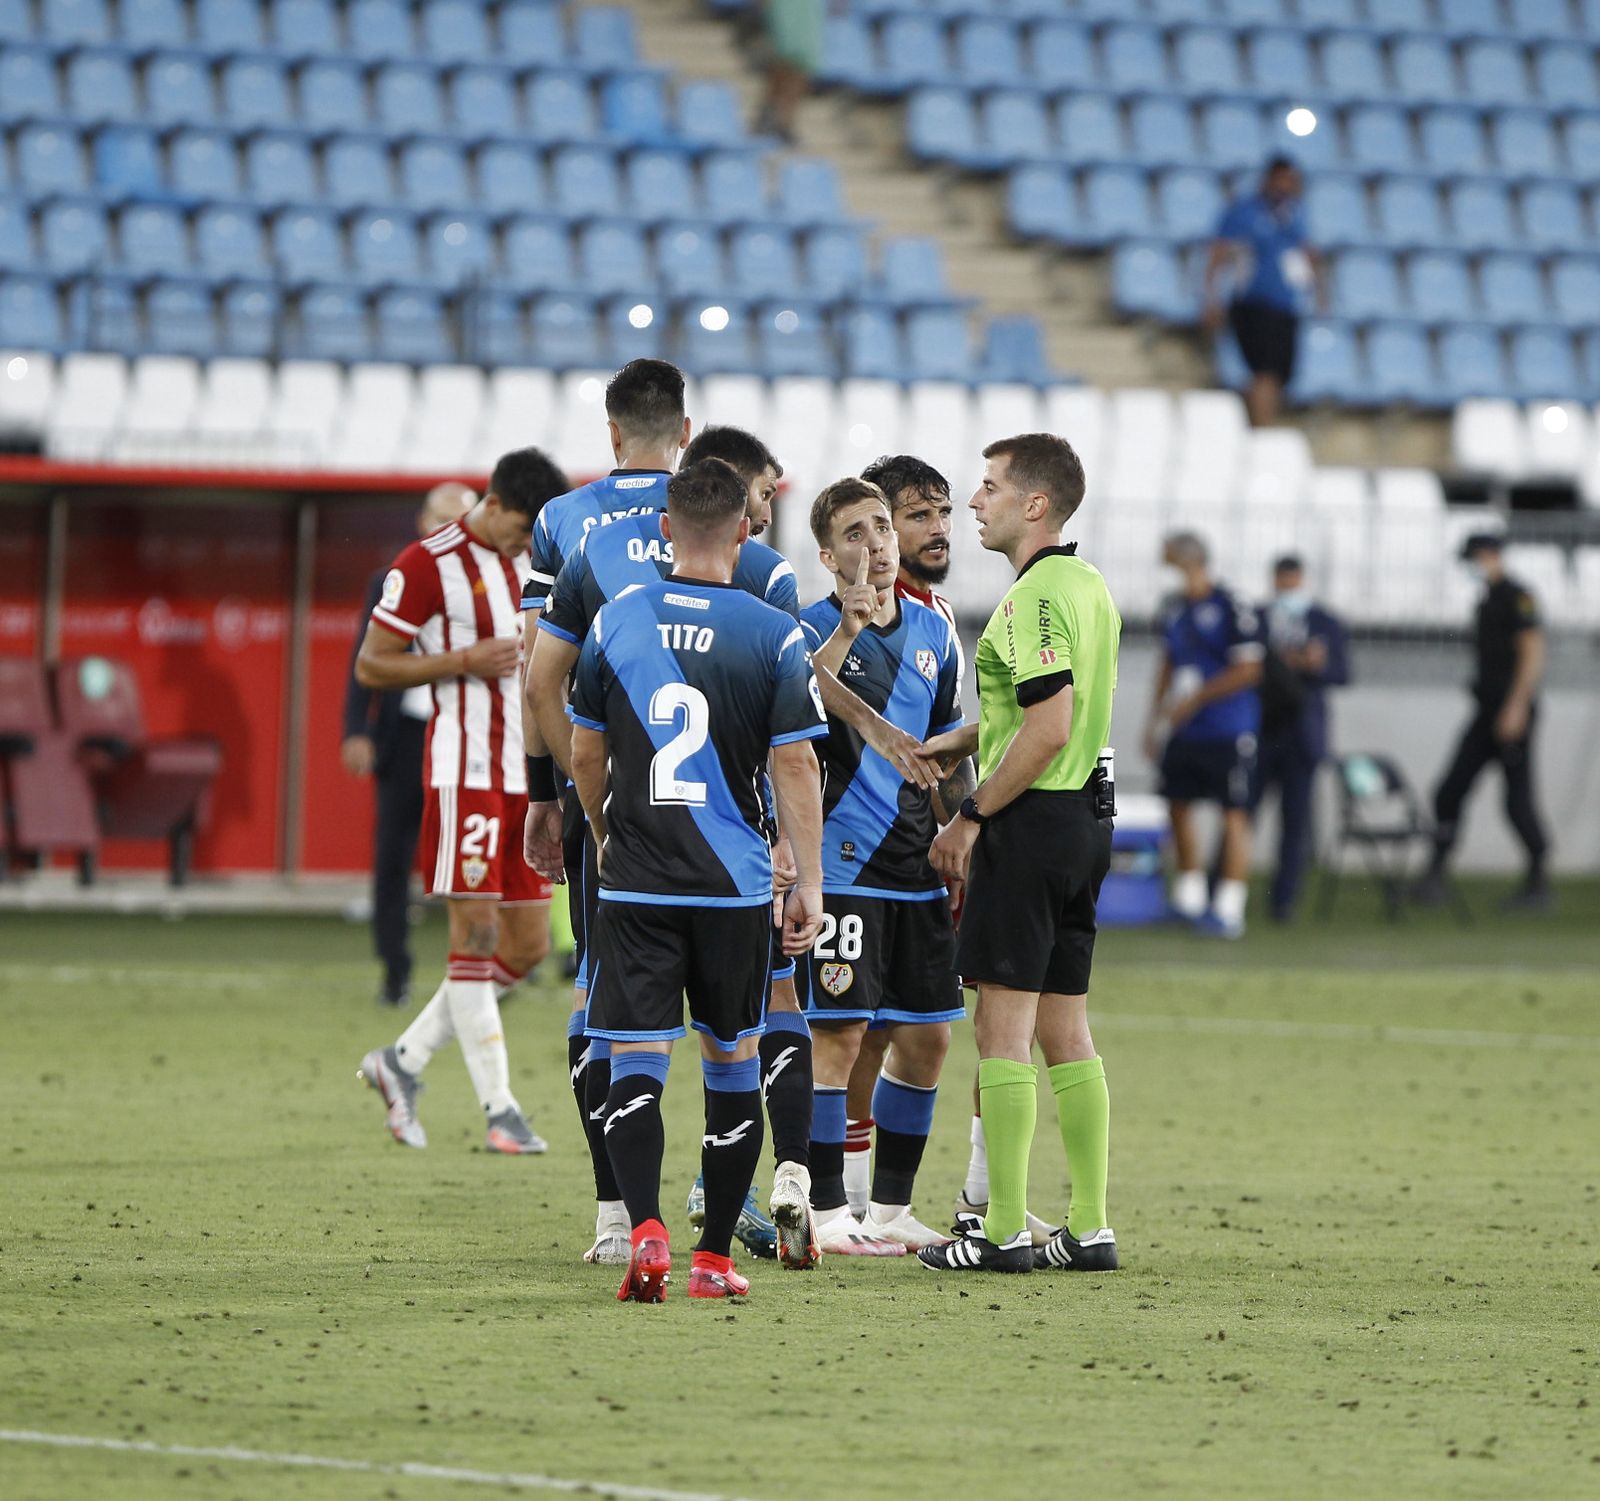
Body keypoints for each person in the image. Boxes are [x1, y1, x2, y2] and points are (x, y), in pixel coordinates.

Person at [530, 456, 818, 1269]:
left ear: (665, 531)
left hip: (637, 881)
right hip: (734, 886)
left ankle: (642, 1230)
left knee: (635, 1059)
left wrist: (601, 825)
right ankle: (714, 1259)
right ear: (742, 530)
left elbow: (585, 749)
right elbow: (796, 768)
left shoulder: (619, 620)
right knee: (731, 1063)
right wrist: (809, 883)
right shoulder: (772, 632)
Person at [915, 433, 1121, 1276]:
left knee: (1000, 1032)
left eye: (991, 486)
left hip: (1030, 824)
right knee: (1067, 1029)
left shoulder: (1033, 596)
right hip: (1085, 824)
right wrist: (964, 734)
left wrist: (968, 813)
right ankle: (1091, 1225)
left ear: (1035, 505)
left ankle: (999, 1229)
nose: (974, 500)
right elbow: (1056, 710)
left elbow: (1047, 725)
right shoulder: (1088, 586)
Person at [354, 449, 568, 1154]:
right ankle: (501, 1110)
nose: (525, 545)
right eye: (520, 530)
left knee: (528, 944)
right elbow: (372, 662)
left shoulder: (535, 559)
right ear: (497, 503)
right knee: (473, 938)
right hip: (466, 770)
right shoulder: (424, 562)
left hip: (528, 774)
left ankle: (402, 1060)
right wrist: (461, 661)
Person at [799, 477, 968, 1254]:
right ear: (828, 554)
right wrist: (846, 630)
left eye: (880, 528)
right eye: (855, 534)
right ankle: (830, 1210)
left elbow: (937, 750)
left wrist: (962, 832)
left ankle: (892, 1208)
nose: (874, 544)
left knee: (928, 1037)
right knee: (836, 1037)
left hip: (914, 867)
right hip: (840, 866)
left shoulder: (934, 634)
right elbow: (790, 707)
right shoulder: (808, 628)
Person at [341, 482, 474, 1008]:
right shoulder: (391, 581)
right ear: (422, 523)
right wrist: (356, 729)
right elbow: (363, 662)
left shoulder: (487, 583)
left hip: (466, 735)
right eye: (440, 519)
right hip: (406, 736)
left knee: (469, 857)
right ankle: (394, 969)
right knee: (393, 857)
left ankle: (476, 969)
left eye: (458, 521)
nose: (447, 530)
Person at [1415, 533, 1551, 912]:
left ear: (1491, 556)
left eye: (1473, 559)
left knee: (1517, 801)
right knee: (1449, 790)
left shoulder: (1517, 595)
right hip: (1486, 710)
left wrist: (1517, 706)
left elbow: (1533, 651)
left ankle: (1539, 881)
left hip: (1510, 711)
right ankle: (1435, 875)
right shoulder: (1488, 597)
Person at [1144, 531, 1265, 940]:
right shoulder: (1175, 608)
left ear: (1186, 559)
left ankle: (1230, 907)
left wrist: (1197, 699)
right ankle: (1191, 898)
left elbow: (1249, 669)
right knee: (1177, 805)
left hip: (1227, 728)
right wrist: (1156, 720)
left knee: (1233, 812)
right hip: (1185, 728)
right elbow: (1168, 664)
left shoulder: (1232, 604)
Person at [1256, 554, 1350, 923]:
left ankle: (1284, 901)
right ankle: (1223, 889)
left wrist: (1317, 665)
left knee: (1295, 822)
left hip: (1303, 734)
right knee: (1242, 812)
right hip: (1264, 730)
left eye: (1292, 583)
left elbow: (1342, 672)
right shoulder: (1259, 617)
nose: (1287, 589)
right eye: (1282, 582)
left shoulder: (1325, 622)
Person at [1203, 156, 1326, 429]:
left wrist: (1319, 292)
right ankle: (1262, 430)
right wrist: (1211, 299)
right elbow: (1218, 255)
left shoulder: (1294, 213)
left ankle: (1262, 425)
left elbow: (1307, 253)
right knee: (1264, 371)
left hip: (1286, 305)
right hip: (1254, 304)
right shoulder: (1244, 212)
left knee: (1280, 374)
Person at [756, 0, 824, 144]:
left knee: (799, 69)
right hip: (784, 12)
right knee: (784, 63)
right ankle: (774, 117)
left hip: (805, 14)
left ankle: (782, 121)